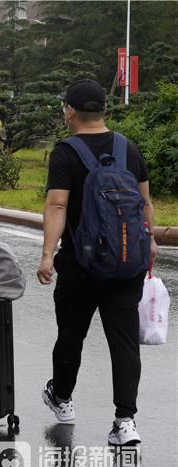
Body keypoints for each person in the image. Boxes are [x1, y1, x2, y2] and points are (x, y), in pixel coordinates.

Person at [37, 79, 158, 446]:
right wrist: (148, 241)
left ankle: (62, 399)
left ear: (70, 111)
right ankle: (125, 422)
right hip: (126, 263)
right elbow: (145, 203)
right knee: (124, 342)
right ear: (104, 110)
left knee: (72, 333)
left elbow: (57, 205)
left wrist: (47, 255)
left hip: (80, 264)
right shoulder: (129, 149)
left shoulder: (66, 152)